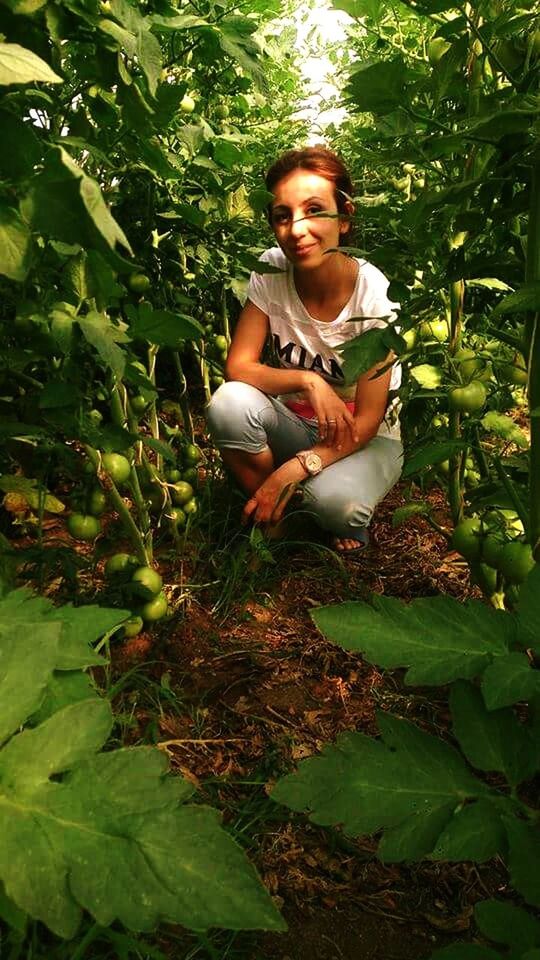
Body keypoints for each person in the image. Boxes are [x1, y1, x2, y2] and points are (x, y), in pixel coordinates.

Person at [207, 145, 403, 556]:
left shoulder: (374, 296)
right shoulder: (272, 268)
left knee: (337, 506)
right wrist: (308, 380)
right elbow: (239, 366)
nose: (296, 229)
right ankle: (276, 515)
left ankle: (297, 495)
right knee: (229, 404)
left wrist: (292, 471)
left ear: (344, 218)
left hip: (363, 438)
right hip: (296, 423)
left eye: (314, 210)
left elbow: (367, 422)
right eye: (282, 215)